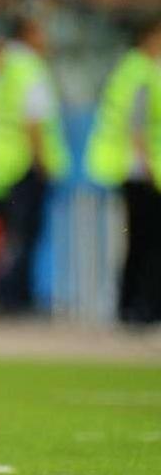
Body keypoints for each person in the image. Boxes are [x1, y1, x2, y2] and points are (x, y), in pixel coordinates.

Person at [0, 17, 70, 310]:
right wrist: (44, 163)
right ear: (28, 33)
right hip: (19, 165)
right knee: (20, 237)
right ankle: (12, 298)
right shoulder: (29, 68)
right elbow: (33, 119)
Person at [85, 18, 161, 325]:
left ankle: (132, 306)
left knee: (139, 241)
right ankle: (142, 307)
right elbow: (137, 123)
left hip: (133, 168)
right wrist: (147, 164)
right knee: (148, 242)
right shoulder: (142, 71)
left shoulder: (130, 69)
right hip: (141, 170)